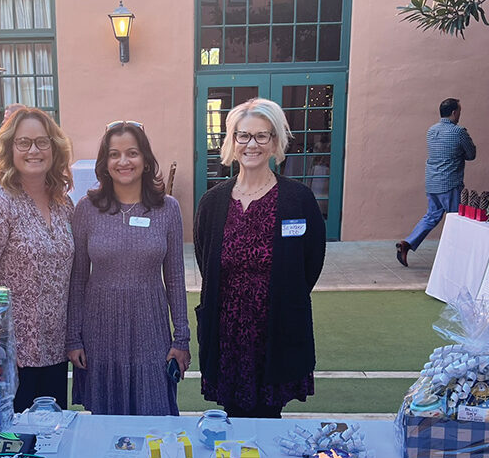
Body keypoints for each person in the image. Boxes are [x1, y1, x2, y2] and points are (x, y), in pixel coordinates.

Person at [194, 98, 326, 419]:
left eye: (261, 136)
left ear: (275, 142)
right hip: (227, 330)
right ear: (232, 141)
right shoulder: (213, 202)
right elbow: (206, 259)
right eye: (243, 136)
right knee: (233, 415)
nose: (251, 144)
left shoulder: (297, 200)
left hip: (276, 326)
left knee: (269, 415)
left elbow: (311, 262)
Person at [66, 121, 190, 416]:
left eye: (132, 153)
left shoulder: (167, 209)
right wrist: (73, 337)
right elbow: (78, 277)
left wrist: (181, 337)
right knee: (106, 419)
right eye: (114, 154)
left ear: (146, 160)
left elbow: (174, 278)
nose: (123, 161)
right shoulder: (86, 209)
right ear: (104, 163)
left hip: (150, 324)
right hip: (101, 326)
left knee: (154, 413)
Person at [0, 107, 75, 410]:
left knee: (52, 440)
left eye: (42, 142)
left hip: (55, 350)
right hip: (10, 359)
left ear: (55, 147)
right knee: (17, 447)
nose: (34, 150)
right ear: (9, 149)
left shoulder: (63, 203)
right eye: (23, 143)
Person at [396, 98, 476, 267]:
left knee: (432, 216)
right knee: (456, 219)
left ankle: (407, 243)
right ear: (454, 113)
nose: (459, 114)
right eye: (459, 111)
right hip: (450, 183)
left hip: (432, 181)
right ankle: (454, 256)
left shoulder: (431, 131)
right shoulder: (459, 132)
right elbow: (471, 154)